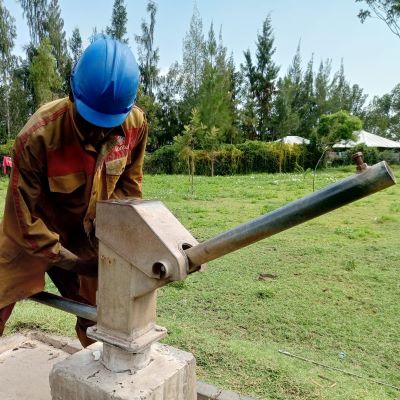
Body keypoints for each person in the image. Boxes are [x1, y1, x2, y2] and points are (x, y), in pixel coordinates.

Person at [0, 36, 147, 347]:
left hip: (85, 239)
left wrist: (116, 243)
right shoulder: (38, 137)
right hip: (30, 237)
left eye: (110, 123)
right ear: (71, 95)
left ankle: (103, 386)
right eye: (90, 120)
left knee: (102, 321)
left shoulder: (135, 125)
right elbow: (22, 223)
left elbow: (129, 187)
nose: (100, 132)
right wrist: (76, 262)